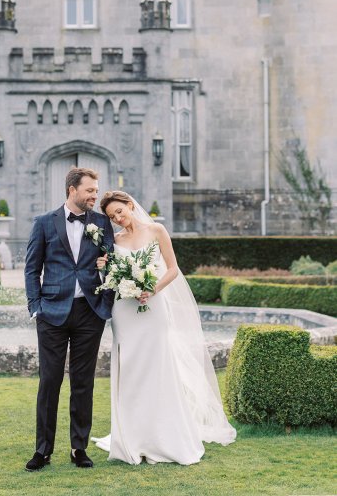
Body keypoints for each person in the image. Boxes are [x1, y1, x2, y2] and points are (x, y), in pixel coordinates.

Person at [92, 190, 236, 465]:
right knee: (130, 369)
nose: (118, 219)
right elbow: (110, 278)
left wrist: (152, 289)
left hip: (153, 308)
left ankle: (163, 435)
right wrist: (104, 266)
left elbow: (172, 269)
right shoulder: (114, 240)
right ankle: (132, 436)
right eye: (112, 217)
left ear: (130, 205)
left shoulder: (157, 230)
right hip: (124, 310)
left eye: (120, 212)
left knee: (158, 367)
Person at [24, 168, 114, 471]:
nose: (94, 195)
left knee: (83, 382)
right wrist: (35, 306)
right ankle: (43, 450)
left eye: (96, 190)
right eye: (90, 190)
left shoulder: (102, 223)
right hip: (52, 312)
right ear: (72, 190)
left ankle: (79, 448)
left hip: (90, 312)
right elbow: (31, 269)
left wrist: (106, 303)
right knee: (49, 380)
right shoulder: (43, 223)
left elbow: (112, 264)